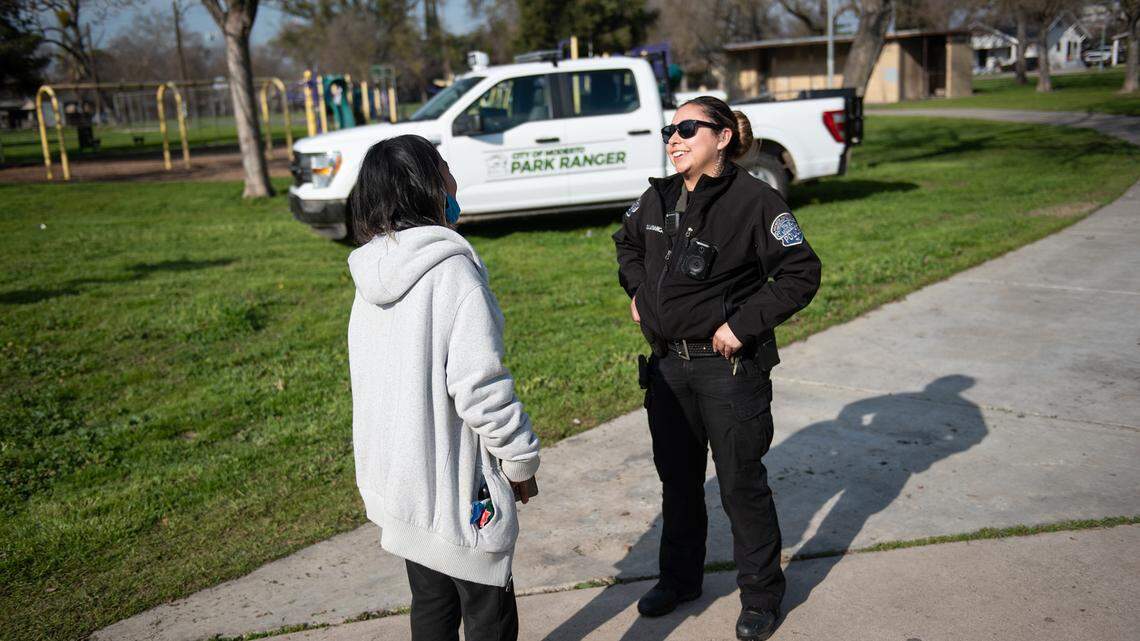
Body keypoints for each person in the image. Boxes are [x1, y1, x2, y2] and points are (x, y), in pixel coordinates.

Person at [612, 97, 821, 641]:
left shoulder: (757, 201)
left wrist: (743, 325)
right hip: (666, 369)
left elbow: (800, 273)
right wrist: (637, 291)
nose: (673, 139)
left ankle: (761, 596)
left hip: (727, 369)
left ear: (722, 137)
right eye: (669, 129)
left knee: (739, 485)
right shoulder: (656, 197)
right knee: (678, 482)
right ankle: (680, 580)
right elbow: (626, 244)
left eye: (687, 128)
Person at [346, 134, 541, 641]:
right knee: (488, 612)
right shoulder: (453, 272)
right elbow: (480, 388)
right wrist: (518, 461)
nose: (453, 180)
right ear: (426, 186)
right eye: (444, 169)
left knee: (430, 603)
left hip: (403, 483)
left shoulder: (372, 273)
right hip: (454, 487)